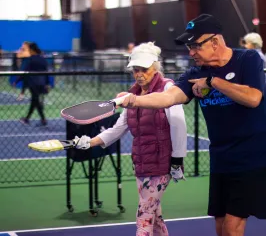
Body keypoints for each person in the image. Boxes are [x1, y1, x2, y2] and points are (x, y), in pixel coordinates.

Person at [119, 14, 266, 236]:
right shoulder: (194, 73)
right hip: (221, 158)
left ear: (215, 41)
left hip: (252, 157)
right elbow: (167, 98)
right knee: (220, 226)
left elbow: (253, 98)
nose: (191, 52)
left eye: (196, 45)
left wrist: (213, 82)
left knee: (232, 226)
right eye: (189, 46)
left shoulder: (248, 58)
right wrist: (134, 100)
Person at [75, 42, 187, 236]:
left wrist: (177, 160)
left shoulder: (168, 88)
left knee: (144, 215)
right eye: (136, 70)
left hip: (163, 164)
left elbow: (179, 125)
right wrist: (90, 141)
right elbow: (118, 128)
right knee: (154, 214)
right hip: (142, 163)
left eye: (144, 69)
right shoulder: (132, 95)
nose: (139, 74)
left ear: (155, 67)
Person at [14, 42, 49, 126]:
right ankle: (29, 118)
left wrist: (17, 81)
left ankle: (40, 119)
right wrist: (47, 84)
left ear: (32, 50)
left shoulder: (30, 59)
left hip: (33, 83)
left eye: (29, 49)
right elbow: (46, 72)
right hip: (42, 83)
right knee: (35, 101)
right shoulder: (43, 59)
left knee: (35, 101)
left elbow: (25, 72)